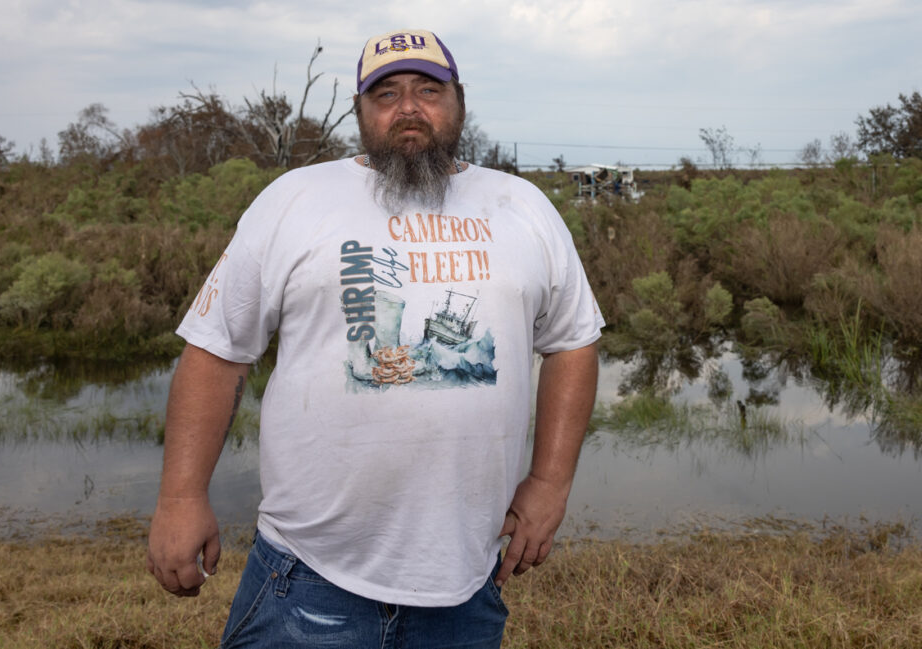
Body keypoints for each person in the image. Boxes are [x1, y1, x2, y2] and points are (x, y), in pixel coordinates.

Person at [146, 28, 604, 648]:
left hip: (467, 583)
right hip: (304, 576)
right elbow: (216, 351)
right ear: (360, 110)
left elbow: (573, 341)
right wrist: (180, 496)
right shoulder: (294, 200)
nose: (408, 107)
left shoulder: (521, 206)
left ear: (459, 102)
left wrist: (550, 484)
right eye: (385, 93)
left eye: (427, 90)